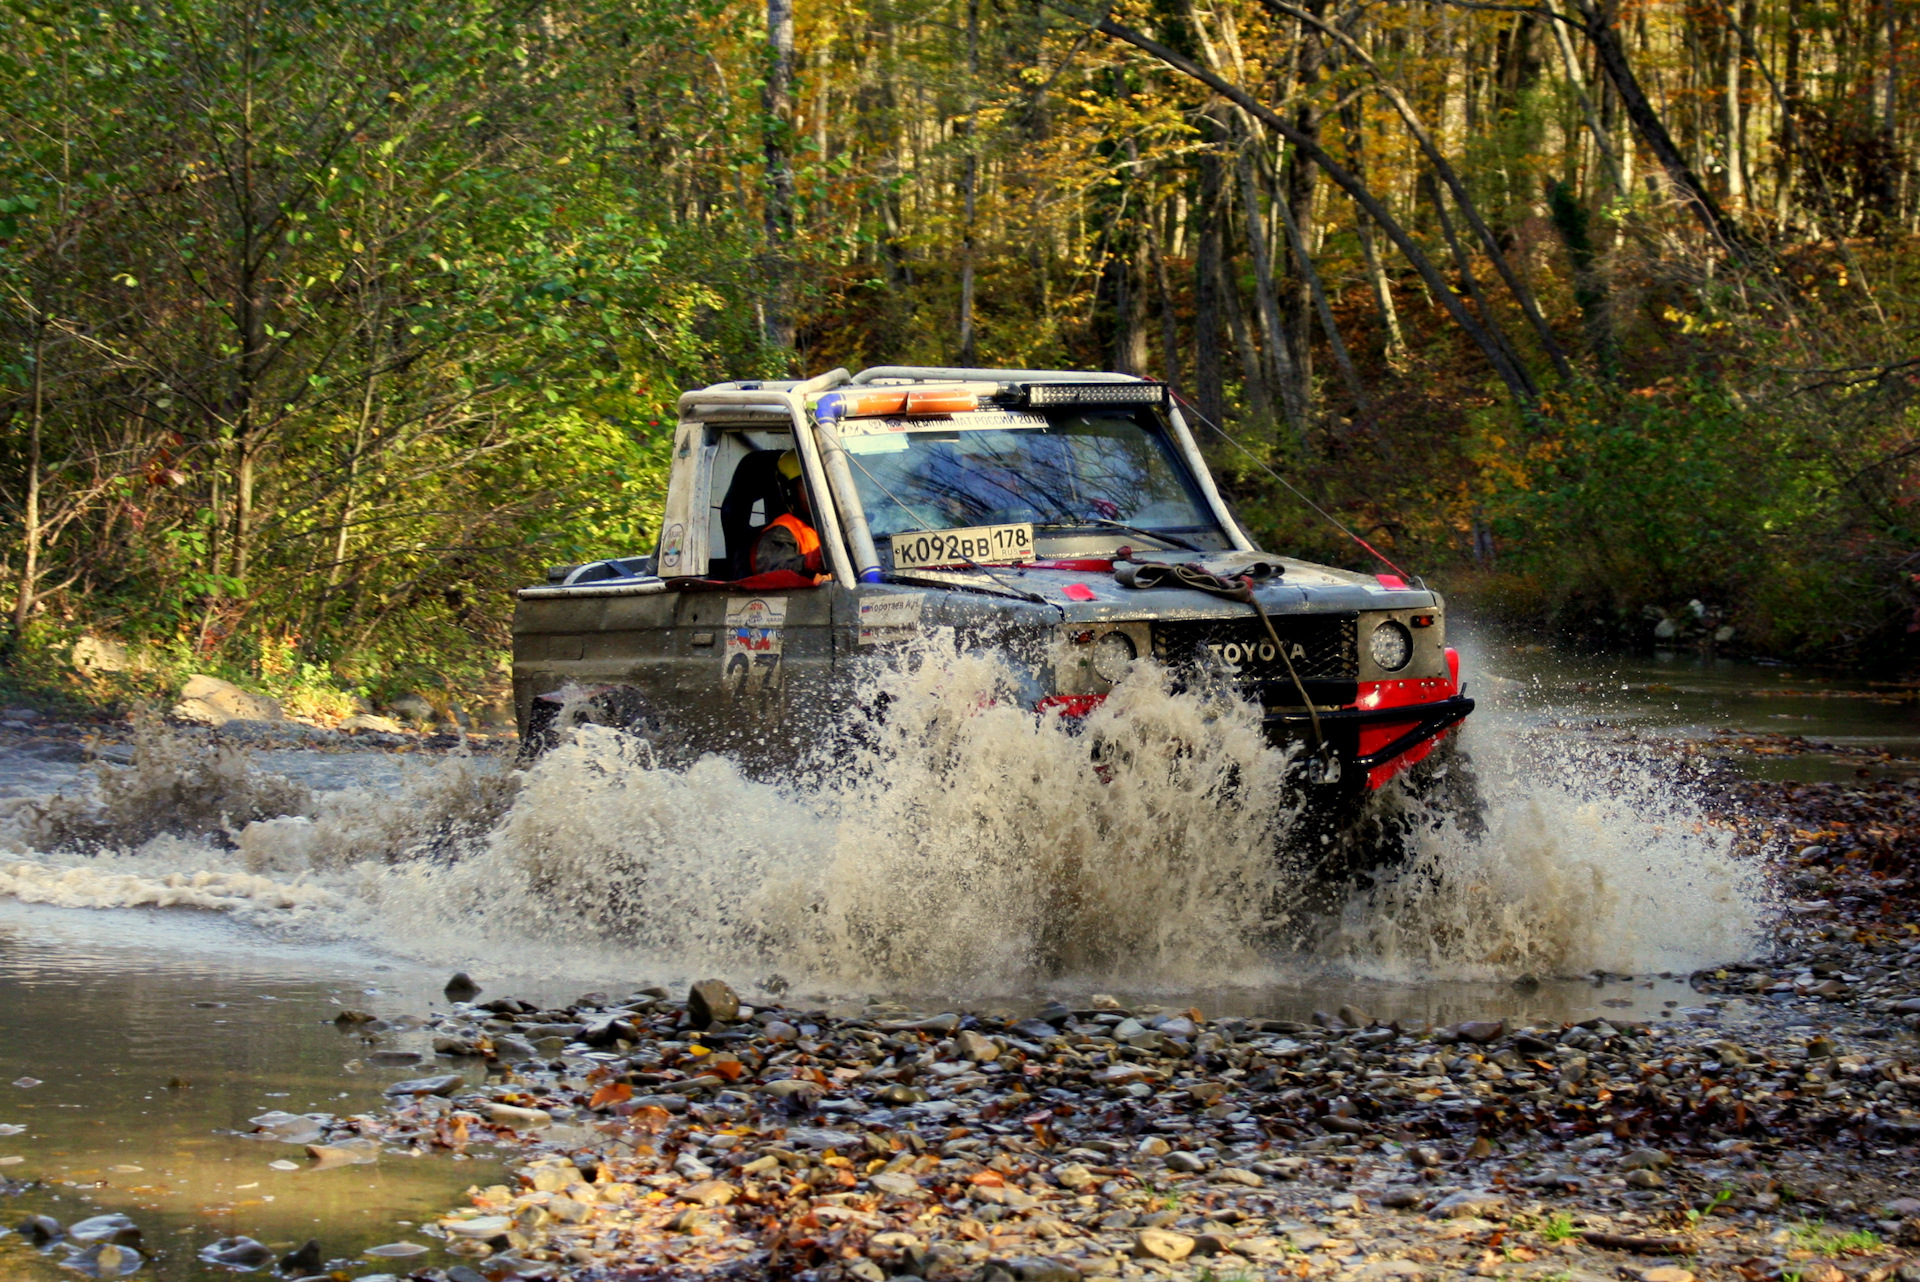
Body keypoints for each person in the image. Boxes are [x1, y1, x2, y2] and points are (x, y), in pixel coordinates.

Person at [750, 450, 826, 577]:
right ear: (789, 492)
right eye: (808, 485)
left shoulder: (842, 528)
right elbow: (774, 572)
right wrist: (809, 562)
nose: (819, 492)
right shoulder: (780, 533)